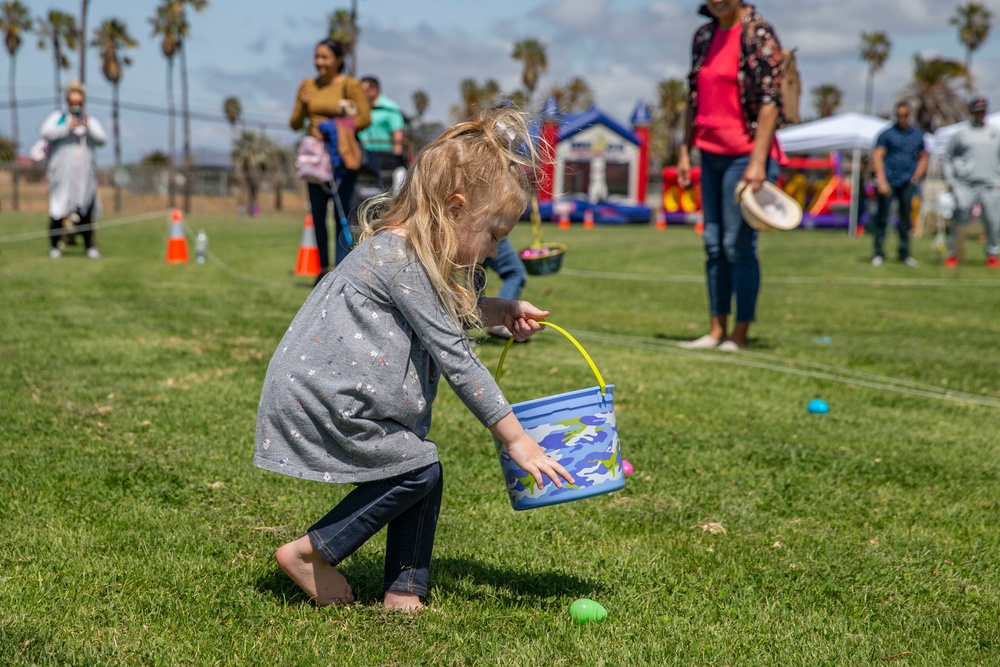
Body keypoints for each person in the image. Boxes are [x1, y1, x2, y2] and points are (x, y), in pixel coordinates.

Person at [254, 107, 574, 612]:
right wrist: (518, 440)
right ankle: (310, 553)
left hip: (330, 391)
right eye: (492, 234)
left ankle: (404, 591)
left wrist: (502, 310)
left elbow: (448, 311)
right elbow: (457, 357)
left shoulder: (409, 255)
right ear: (454, 207)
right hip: (328, 399)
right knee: (415, 470)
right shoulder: (399, 258)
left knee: (421, 466)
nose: (493, 252)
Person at [676, 0, 785, 351]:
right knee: (712, 244)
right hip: (710, 154)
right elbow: (694, 98)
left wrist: (757, 161)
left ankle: (740, 334)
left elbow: (771, 101)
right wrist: (683, 150)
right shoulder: (704, 36)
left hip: (745, 155)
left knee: (737, 246)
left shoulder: (759, 34)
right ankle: (715, 330)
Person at [290, 38, 371, 280]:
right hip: (316, 159)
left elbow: (365, 118)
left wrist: (333, 126)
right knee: (317, 215)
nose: (319, 62)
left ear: (338, 60)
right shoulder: (307, 85)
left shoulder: (350, 85)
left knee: (341, 214)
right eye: (317, 57)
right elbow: (294, 123)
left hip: (342, 159)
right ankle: (322, 270)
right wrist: (305, 106)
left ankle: (341, 270)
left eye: (324, 57)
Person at [39, 81, 106, 259]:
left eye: (79, 103)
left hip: (85, 177)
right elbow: (46, 132)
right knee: (58, 210)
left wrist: (86, 127)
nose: (75, 107)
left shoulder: (89, 121)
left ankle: (90, 246)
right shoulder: (59, 118)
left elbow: (101, 139)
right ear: (67, 102)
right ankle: (54, 247)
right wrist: (67, 127)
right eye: (72, 103)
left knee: (86, 212)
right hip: (62, 175)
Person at [943, 95, 1000, 268]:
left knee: (993, 220)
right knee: (960, 216)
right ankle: (954, 253)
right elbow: (947, 158)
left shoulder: (995, 133)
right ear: (971, 112)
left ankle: (992, 253)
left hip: (990, 184)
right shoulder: (961, 133)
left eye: (983, 111)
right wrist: (951, 180)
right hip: (964, 184)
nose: (980, 114)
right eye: (977, 111)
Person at [870, 100, 927, 267]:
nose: (902, 118)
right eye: (899, 115)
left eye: (905, 115)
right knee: (883, 218)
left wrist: (917, 175)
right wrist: (881, 180)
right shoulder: (886, 134)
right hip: (888, 180)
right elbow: (877, 157)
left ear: (910, 115)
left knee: (905, 219)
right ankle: (878, 253)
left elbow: (924, 156)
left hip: (907, 181)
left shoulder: (917, 135)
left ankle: (904, 254)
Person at [358, 75, 407, 188]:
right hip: (362, 156)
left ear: (374, 90)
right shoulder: (360, 110)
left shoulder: (390, 109)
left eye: (363, 91)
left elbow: (397, 136)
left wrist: (395, 162)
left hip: (385, 158)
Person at [481, 237, 530, 340]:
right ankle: (499, 323)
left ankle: (460, 330)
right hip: (490, 232)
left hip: (470, 231)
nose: (494, 253)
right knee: (516, 273)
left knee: (475, 277)